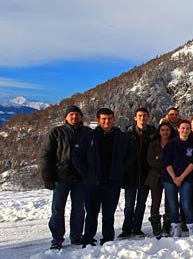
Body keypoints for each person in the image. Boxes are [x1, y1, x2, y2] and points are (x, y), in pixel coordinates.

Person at [72, 108, 135, 247]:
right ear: (99, 120)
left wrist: (121, 170)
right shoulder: (89, 136)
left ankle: (108, 239)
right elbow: (76, 156)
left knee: (109, 214)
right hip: (92, 182)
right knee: (91, 214)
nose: (107, 121)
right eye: (104, 119)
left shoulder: (121, 137)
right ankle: (88, 239)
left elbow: (131, 155)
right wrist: (86, 173)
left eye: (109, 119)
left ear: (114, 119)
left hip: (112, 182)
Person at [41, 105, 91, 249]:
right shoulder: (56, 132)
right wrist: (48, 178)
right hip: (60, 178)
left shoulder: (87, 132)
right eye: (71, 115)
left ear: (81, 116)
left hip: (81, 178)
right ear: (66, 117)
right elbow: (46, 156)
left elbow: (93, 155)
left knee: (79, 209)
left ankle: (76, 236)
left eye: (77, 114)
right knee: (57, 210)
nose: (74, 117)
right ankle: (57, 239)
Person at [120, 107, 157, 238]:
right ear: (135, 118)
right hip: (131, 174)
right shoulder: (128, 133)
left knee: (141, 203)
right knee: (129, 205)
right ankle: (126, 228)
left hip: (146, 174)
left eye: (145, 116)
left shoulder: (153, 133)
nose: (142, 118)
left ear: (148, 117)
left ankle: (137, 228)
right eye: (140, 116)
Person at [161, 120, 193, 237]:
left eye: (187, 128)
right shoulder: (171, 144)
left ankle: (191, 227)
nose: (185, 130)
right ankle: (175, 228)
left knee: (186, 204)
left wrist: (181, 177)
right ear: (178, 129)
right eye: (183, 128)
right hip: (169, 179)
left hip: (186, 178)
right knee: (173, 205)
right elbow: (166, 162)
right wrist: (174, 177)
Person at [145, 123, 173, 238]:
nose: (165, 132)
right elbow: (150, 160)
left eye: (167, 130)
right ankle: (156, 227)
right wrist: (167, 162)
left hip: (171, 176)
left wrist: (159, 157)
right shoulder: (153, 144)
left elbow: (175, 160)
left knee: (169, 202)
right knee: (155, 202)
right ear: (159, 132)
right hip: (155, 177)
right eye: (163, 130)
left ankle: (167, 226)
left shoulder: (174, 143)